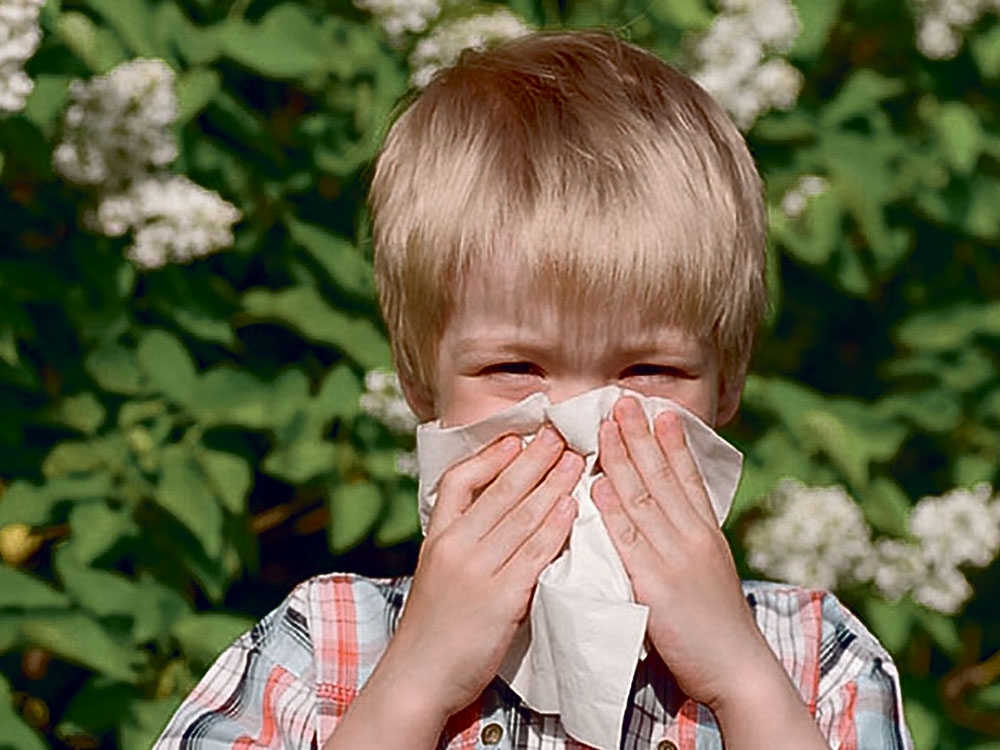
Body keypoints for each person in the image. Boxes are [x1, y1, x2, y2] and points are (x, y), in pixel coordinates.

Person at [154, 30, 911, 750]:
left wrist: (744, 684)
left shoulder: (815, 658)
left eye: (649, 372)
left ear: (729, 381)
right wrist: (414, 686)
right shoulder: (322, 649)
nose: (581, 428)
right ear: (418, 377)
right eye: (515, 369)